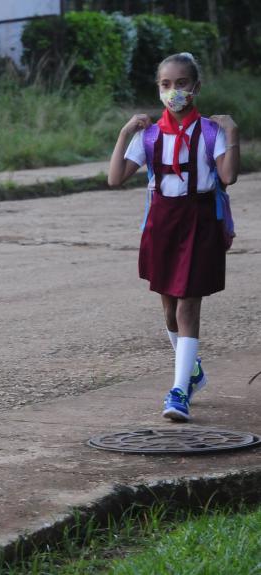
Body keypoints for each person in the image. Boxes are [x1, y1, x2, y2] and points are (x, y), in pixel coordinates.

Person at [108, 52, 240, 422]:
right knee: (168, 306)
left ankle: (180, 390)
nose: (173, 91)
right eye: (166, 85)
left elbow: (228, 176)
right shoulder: (149, 136)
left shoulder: (211, 132)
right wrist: (124, 133)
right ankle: (193, 370)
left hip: (199, 220)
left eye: (181, 83)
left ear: (195, 87)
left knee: (187, 304)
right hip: (162, 222)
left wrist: (232, 133)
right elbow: (115, 178)